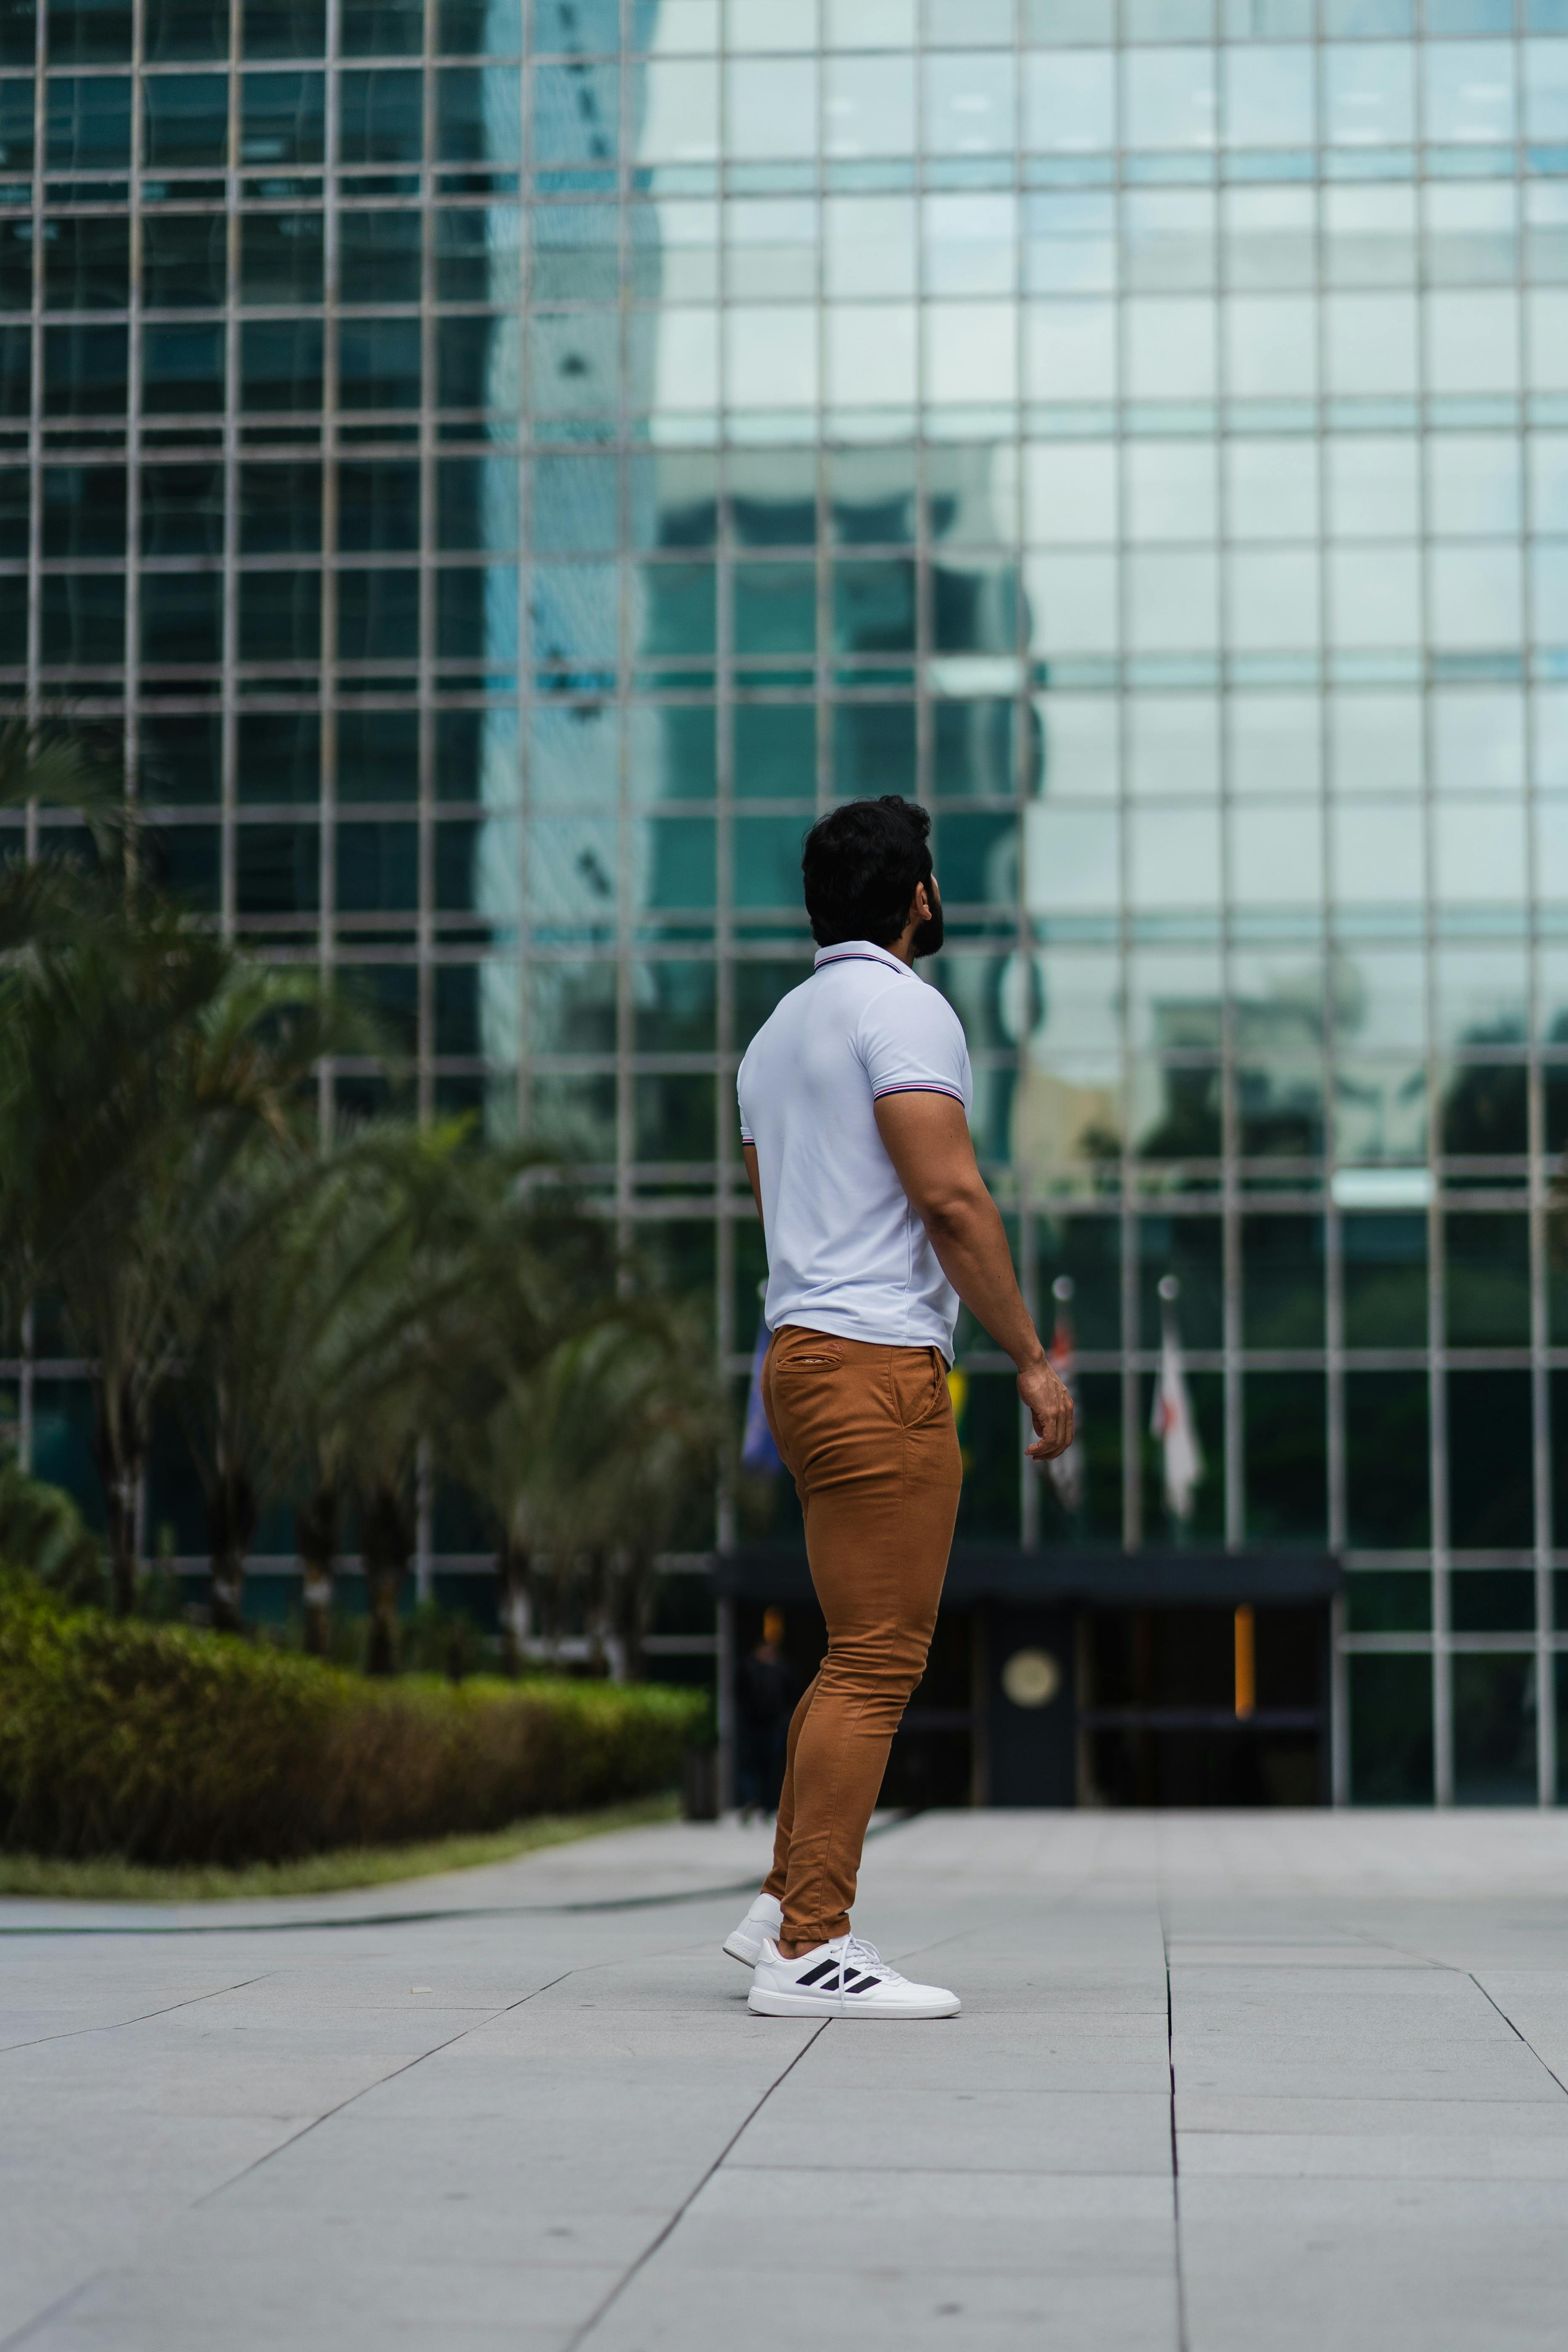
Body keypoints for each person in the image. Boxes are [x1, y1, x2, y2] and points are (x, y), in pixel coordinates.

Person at [721, 796, 1074, 2021]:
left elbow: (777, 1199)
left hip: (802, 1357)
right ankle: (813, 1945)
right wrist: (1029, 1356)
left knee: (851, 1645)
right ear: (919, 897)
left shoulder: (773, 1036)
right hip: (877, 1363)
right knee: (880, 1655)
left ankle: (781, 1901)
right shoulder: (905, 1008)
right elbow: (953, 1201)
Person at [734, 1608, 796, 1824]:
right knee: (752, 1766)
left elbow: (791, 1693)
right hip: (754, 1725)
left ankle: (767, 1806)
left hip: (772, 1725)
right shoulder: (751, 1667)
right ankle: (753, 1800)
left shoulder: (780, 1668)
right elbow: (739, 1693)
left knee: (770, 1767)